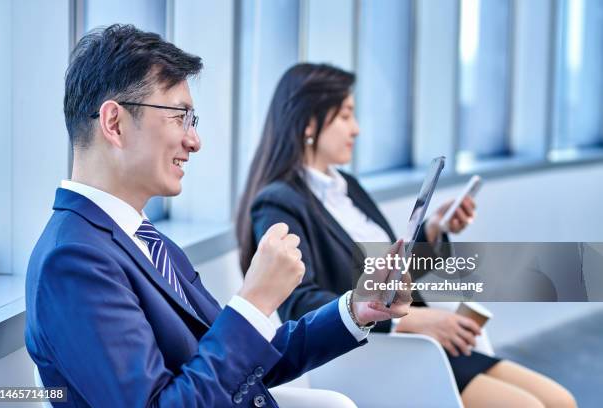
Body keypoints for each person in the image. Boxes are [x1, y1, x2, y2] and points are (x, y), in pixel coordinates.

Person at [24, 26, 411, 408]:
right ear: (114, 123)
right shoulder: (73, 261)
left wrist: (356, 309)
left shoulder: (139, 237)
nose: (195, 141)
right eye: (179, 117)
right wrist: (254, 301)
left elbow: (241, 361)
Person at [237, 63, 576, 408]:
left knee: (561, 401)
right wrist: (414, 319)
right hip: (381, 354)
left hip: (425, 340)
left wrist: (434, 229)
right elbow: (299, 305)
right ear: (309, 122)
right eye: (345, 116)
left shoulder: (347, 187)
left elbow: (392, 274)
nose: (356, 129)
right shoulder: (279, 202)